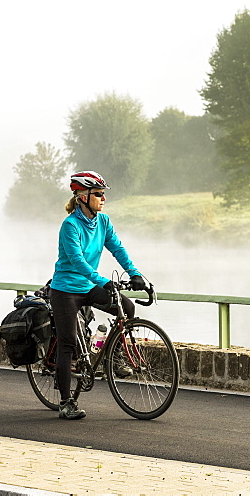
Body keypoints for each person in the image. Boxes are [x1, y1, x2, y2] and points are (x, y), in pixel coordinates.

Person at [49, 170, 146, 420]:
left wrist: (135, 274)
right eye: (99, 195)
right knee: (68, 342)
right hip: (65, 290)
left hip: (88, 287)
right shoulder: (70, 226)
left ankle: (114, 360)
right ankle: (66, 402)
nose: (103, 199)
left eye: (103, 195)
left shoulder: (103, 222)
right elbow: (78, 262)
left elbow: (117, 248)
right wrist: (104, 281)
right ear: (83, 197)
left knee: (126, 307)